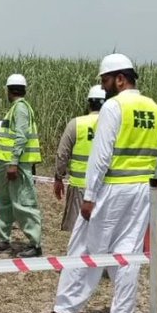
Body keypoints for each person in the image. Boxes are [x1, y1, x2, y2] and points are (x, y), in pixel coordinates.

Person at [40, 53, 157, 313]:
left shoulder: (115, 106)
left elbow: (101, 156)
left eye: (105, 80)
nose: (104, 86)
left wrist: (90, 196)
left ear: (120, 79)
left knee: (84, 250)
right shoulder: (154, 109)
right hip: (141, 191)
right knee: (128, 256)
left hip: (112, 190)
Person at [0, 74, 43, 257]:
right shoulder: (17, 108)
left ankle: (35, 244)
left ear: (9, 90)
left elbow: (21, 137)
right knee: (3, 202)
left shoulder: (21, 109)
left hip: (18, 166)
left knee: (24, 203)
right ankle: (3, 240)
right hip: (8, 165)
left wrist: (14, 163)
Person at [52, 85, 107, 232]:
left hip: (79, 186)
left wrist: (58, 178)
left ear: (89, 103)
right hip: (105, 186)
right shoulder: (113, 124)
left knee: (77, 230)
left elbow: (62, 154)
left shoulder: (76, 124)